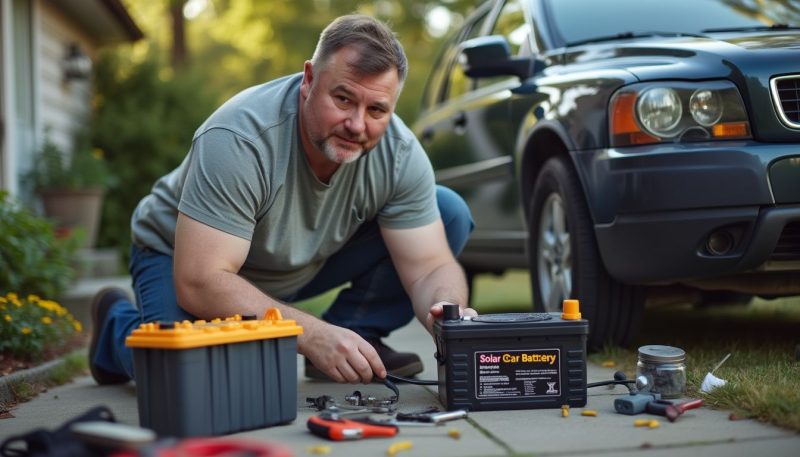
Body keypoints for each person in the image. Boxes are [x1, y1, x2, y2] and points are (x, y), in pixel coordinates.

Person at [89, 14, 476, 386]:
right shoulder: (239, 138)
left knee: (448, 211)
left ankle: (354, 344)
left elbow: (429, 266)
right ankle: (114, 327)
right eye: (342, 99)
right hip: (188, 262)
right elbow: (200, 280)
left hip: (299, 264)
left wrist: (448, 313)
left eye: (376, 109)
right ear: (309, 80)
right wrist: (309, 333)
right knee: (186, 378)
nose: (357, 125)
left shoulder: (400, 154)